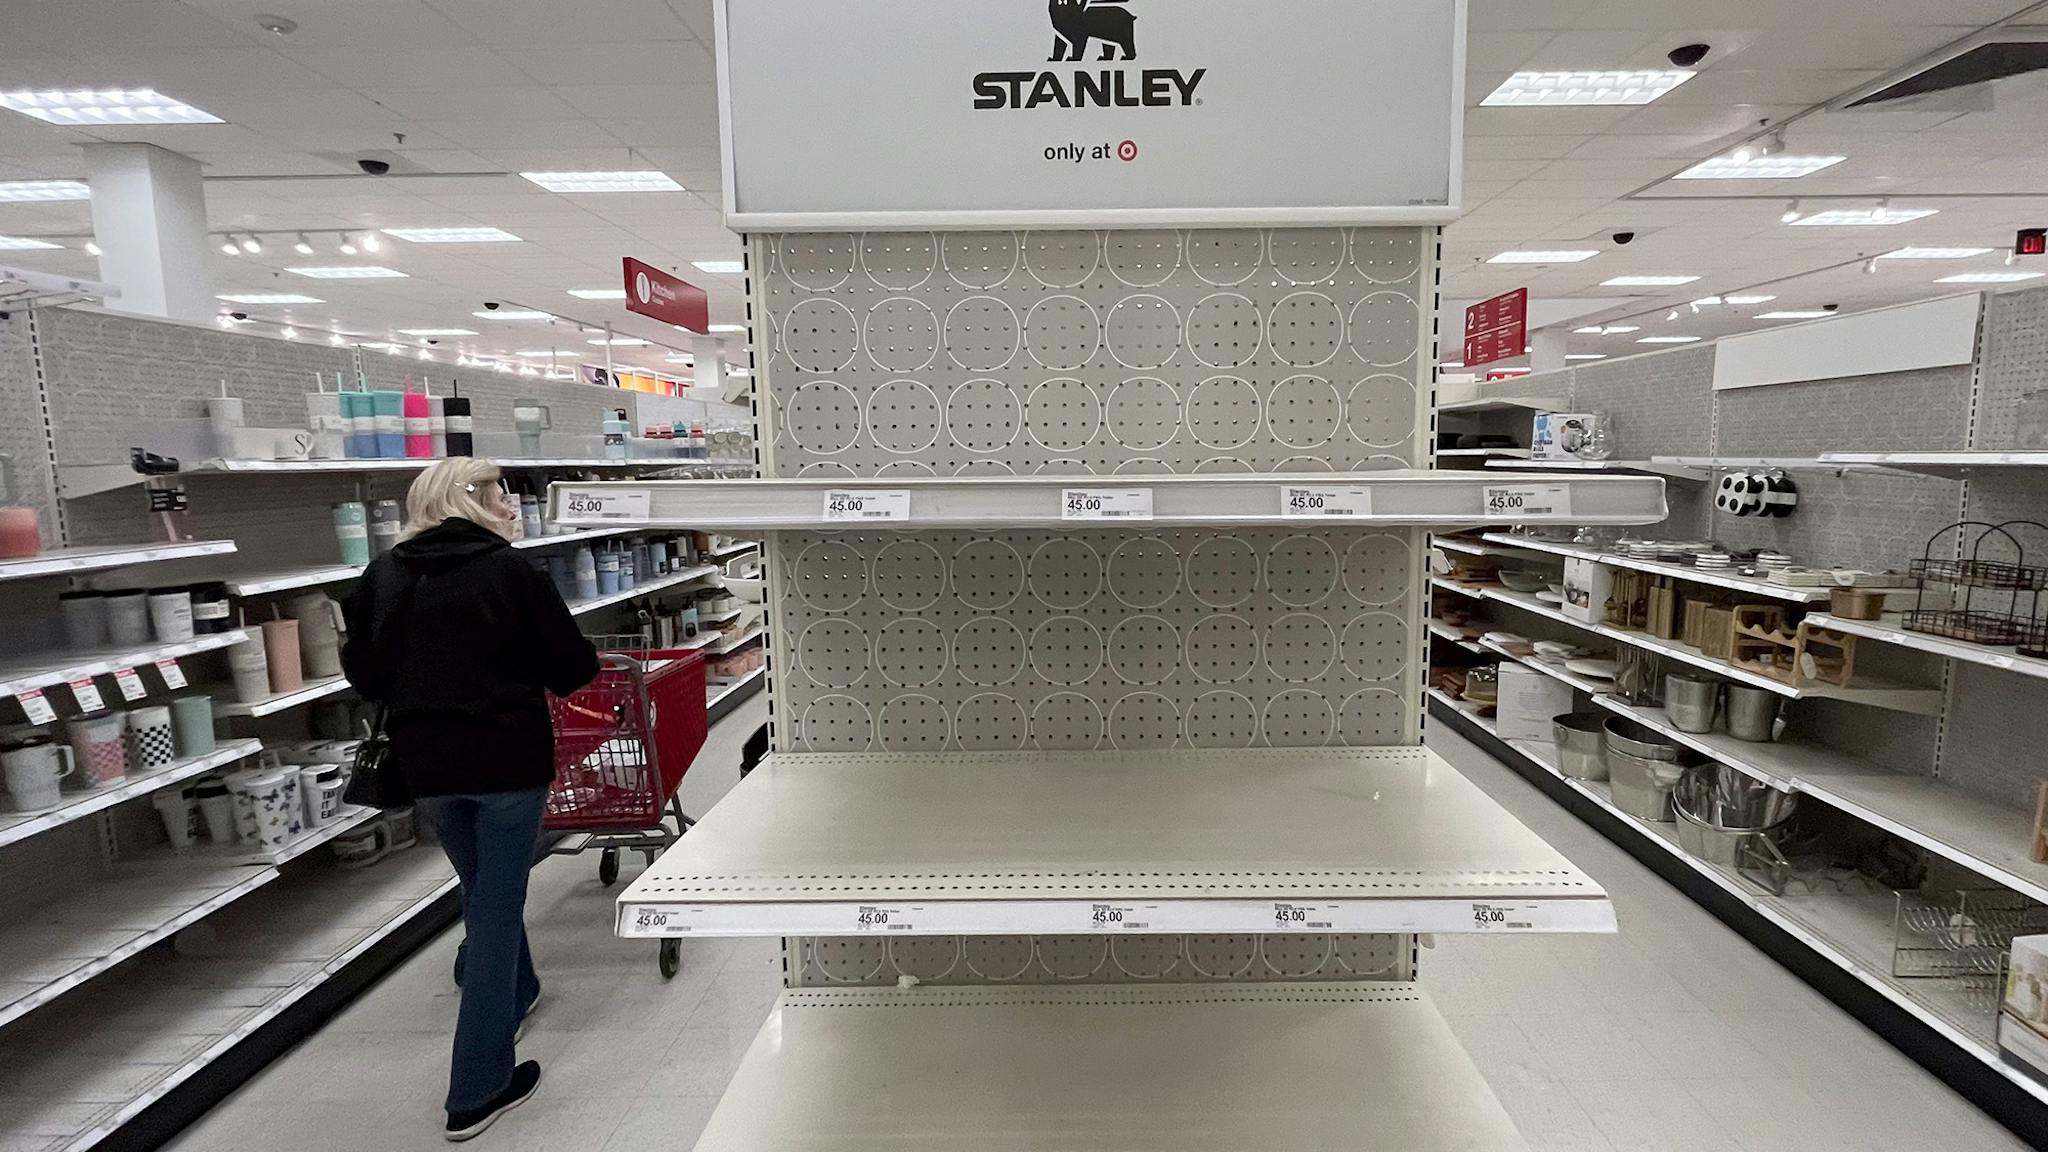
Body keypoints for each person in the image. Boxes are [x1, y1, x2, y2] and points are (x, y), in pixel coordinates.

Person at [341, 457, 598, 1141]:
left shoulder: (383, 574)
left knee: (484, 888)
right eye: (499, 491)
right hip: (507, 762)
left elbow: (364, 674)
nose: (510, 503)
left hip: (430, 768)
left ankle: (518, 991)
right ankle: (477, 1089)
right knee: (493, 909)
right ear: (469, 498)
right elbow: (574, 668)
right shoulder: (510, 573)